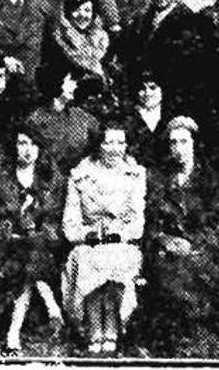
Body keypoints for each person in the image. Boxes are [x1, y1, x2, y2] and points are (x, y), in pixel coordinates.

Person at [0, 126, 66, 353]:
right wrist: (7, 228)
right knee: (29, 256)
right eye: (22, 143)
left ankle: (13, 333)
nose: (28, 150)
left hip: (42, 246)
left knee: (32, 252)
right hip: (4, 246)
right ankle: (51, 305)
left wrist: (38, 231)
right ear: (13, 147)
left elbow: (57, 216)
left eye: (33, 144)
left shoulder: (50, 178)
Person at [61, 121, 147, 356]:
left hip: (122, 243)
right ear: (99, 145)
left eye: (120, 142)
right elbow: (69, 224)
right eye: (109, 142)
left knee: (117, 259)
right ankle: (93, 325)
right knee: (86, 259)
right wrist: (89, 234)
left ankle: (112, 324)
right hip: (88, 244)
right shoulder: (81, 176)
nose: (114, 148)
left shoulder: (135, 174)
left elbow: (138, 224)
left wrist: (121, 232)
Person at [141, 116, 219, 356]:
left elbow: (215, 222)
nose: (178, 148)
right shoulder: (161, 181)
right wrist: (165, 240)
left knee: (193, 274)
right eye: (173, 143)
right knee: (166, 273)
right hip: (166, 250)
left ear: (194, 144)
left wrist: (192, 244)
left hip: (200, 249)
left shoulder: (211, 180)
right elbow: (151, 221)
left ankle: (193, 341)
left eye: (184, 142)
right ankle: (172, 345)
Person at [116, 0, 210, 117]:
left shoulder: (191, 22)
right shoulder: (139, 22)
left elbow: (193, 73)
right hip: (143, 102)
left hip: (175, 104)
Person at [43, 0, 113, 115]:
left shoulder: (102, 40)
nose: (82, 15)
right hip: (67, 111)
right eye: (76, 9)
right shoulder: (57, 41)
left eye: (87, 10)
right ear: (67, 12)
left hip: (98, 110)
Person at [25, 66, 101, 173]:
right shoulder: (36, 120)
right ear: (57, 82)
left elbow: (101, 138)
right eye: (71, 80)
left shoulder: (81, 116)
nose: (75, 85)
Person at [122, 70, 170, 169]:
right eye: (142, 89)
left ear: (162, 89)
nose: (147, 93)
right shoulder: (126, 118)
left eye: (153, 88)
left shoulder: (171, 117)